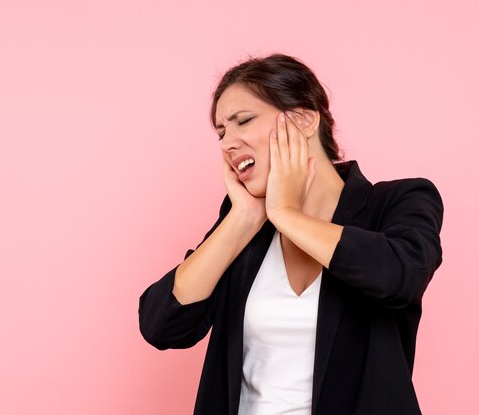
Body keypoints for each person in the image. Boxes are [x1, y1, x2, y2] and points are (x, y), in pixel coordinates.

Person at [138, 53, 444, 415]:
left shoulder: (397, 201)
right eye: (221, 132)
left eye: (243, 121)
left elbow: (399, 276)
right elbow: (162, 326)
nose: (227, 143)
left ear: (303, 119)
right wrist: (244, 219)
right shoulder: (244, 222)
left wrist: (286, 213)